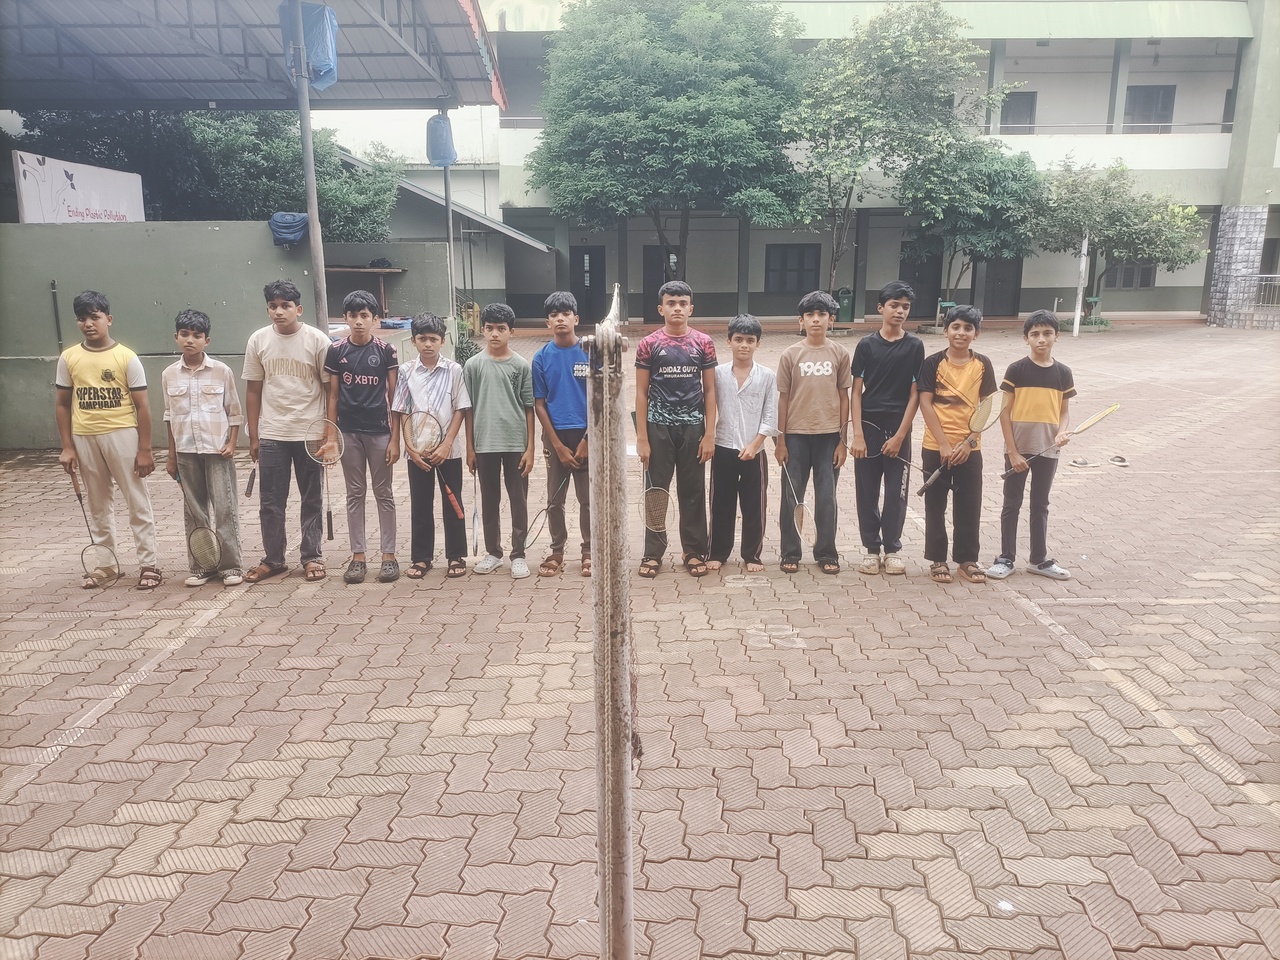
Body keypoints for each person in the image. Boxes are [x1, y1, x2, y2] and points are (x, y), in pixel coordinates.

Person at [55, 290, 161, 590]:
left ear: (108, 319)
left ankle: (149, 564)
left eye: (95, 317)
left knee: (136, 500)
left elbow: (143, 406)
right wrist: (67, 446)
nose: (88, 324)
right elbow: (62, 404)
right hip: (84, 436)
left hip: (122, 434)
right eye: (82, 319)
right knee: (98, 503)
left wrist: (144, 449)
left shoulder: (126, 357)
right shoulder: (69, 357)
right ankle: (106, 565)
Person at [241, 278, 331, 583]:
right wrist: (254, 435)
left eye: (285, 306)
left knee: (312, 498)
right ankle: (273, 559)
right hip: (272, 433)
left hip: (310, 432)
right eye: (273, 306)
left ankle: (312, 556)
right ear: (267, 309)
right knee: (270, 502)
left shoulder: (317, 340)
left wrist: (329, 432)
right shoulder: (258, 340)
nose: (279, 311)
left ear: (298, 309)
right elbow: (253, 390)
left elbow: (330, 389)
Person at [634, 281, 718, 578]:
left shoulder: (703, 342)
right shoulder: (649, 344)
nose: (677, 308)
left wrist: (710, 434)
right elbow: (641, 393)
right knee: (656, 491)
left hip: (693, 427)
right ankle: (652, 553)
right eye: (671, 303)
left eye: (683, 303)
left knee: (692, 490)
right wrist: (642, 438)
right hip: (658, 427)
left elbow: (710, 391)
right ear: (661, 309)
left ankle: (693, 550)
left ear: (691, 308)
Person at [987, 310, 1077, 581]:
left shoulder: (1063, 373)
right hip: (1018, 449)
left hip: (1048, 449)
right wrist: (1012, 451)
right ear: (1026, 338)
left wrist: (1061, 433)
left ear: (1057, 336)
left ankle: (1039, 560)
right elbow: (1004, 412)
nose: (1041, 339)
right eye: (1035, 334)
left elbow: (1063, 412)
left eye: (1047, 333)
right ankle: (1006, 558)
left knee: (1040, 504)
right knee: (1011, 503)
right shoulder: (1016, 370)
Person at [917, 304, 998, 586]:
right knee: (935, 505)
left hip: (969, 450)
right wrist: (943, 444)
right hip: (935, 447)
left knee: (969, 505)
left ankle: (966, 560)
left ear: (976, 334)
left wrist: (969, 441)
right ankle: (937, 559)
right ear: (945, 331)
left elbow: (988, 407)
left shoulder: (983, 364)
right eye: (955, 327)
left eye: (968, 328)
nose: (961, 333)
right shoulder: (932, 363)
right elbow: (925, 403)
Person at [162, 309, 244, 587]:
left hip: (217, 450)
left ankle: (231, 566)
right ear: (176, 337)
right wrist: (171, 456)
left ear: (206, 340)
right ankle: (202, 565)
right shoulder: (169, 374)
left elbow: (234, 411)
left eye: (197, 335)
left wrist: (232, 443)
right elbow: (169, 416)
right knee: (194, 510)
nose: (190, 340)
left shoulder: (221, 371)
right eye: (184, 334)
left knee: (224, 508)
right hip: (185, 452)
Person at [325, 290, 400, 584]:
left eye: (365, 315)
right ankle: (358, 557)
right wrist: (331, 436)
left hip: (379, 432)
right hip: (349, 433)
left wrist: (395, 439)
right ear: (345, 318)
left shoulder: (385, 351)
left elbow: (395, 398)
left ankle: (389, 556)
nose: (359, 321)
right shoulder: (336, 351)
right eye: (353, 315)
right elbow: (333, 396)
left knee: (384, 493)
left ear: (375, 319)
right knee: (355, 493)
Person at [850, 281, 925, 577]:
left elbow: (915, 394)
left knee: (896, 492)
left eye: (905, 307)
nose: (900, 311)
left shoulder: (914, 346)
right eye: (894, 305)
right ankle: (871, 550)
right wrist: (857, 434)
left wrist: (900, 435)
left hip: (898, 426)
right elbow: (856, 392)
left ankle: (892, 550)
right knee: (867, 492)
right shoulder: (866, 345)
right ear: (881, 308)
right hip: (868, 426)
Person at [775, 291, 851, 575]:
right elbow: (783, 399)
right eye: (810, 315)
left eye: (822, 314)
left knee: (827, 497)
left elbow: (844, 397)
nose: (816, 319)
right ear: (801, 320)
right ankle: (790, 552)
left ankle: (826, 552)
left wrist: (843, 441)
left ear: (831, 320)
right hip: (795, 436)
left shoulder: (839, 353)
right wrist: (781, 440)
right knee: (791, 497)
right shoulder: (790, 354)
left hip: (829, 436)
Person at [391, 313, 470, 580]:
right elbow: (403, 411)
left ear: (442, 341)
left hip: (448, 452)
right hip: (418, 452)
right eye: (422, 338)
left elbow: (460, 409)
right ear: (413, 341)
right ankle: (421, 558)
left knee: (453, 503)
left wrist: (447, 444)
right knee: (421, 505)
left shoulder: (454, 370)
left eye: (433, 339)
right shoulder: (406, 371)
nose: (428, 344)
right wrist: (410, 447)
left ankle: (456, 555)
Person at [464, 303, 535, 579]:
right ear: (483, 330)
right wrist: (470, 447)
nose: (495, 334)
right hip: (485, 443)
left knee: (519, 500)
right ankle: (493, 552)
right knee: (489, 499)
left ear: (511, 332)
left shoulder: (521, 365)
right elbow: (468, 408)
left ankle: (519, 554)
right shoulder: (473, 366)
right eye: (490, 328)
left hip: (516, 442)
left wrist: (530, 448)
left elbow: (529, 407)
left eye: (501, 329)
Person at [707, 314, 778, 573]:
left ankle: (752, 555)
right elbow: (708, 407)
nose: (744, 345)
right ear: (729, 341)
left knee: (754, 505)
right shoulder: (717, 374)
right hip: (723, 447)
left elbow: (770, 415)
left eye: (750, 340)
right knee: (720, 504)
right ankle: (717, 552)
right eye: (738, 339)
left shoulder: (767, 376)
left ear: (758, 343)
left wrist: (756, 443)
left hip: (754, 451)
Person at [531, 292, 592, 578]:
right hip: (555, 438)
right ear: (548, 323)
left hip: (587, 436)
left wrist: (588, 439)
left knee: (588, 499)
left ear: (576, 319)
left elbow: (601, 398)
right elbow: (539, 404)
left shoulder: (591, 353)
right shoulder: (541, 357)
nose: (560, 319)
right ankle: (556, 550)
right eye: (554, 315)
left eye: (565, 314)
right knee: (555, 499)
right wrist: (557, 445)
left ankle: (589, 551)